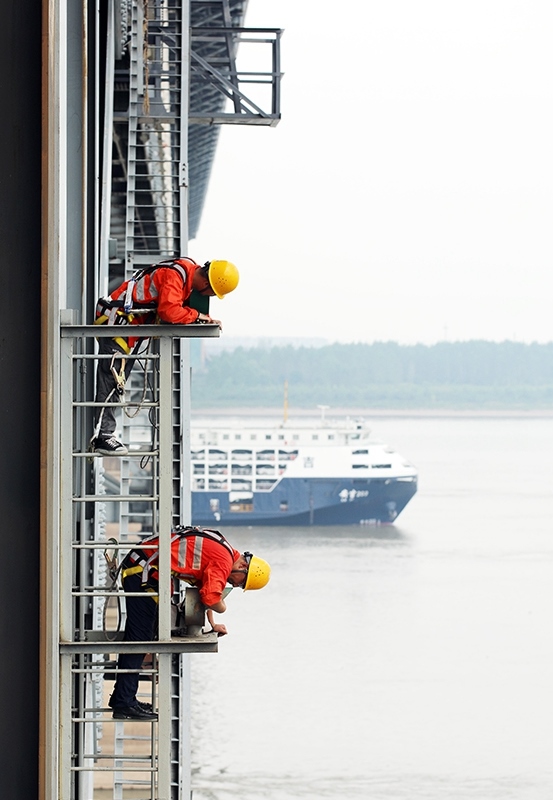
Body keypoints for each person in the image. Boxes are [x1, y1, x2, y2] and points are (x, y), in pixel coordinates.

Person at [108, 526, 271, 720]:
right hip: (143, 572)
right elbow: (211, 598)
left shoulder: (224, 551)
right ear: (243, 566)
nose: (235, 585)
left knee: (142, 636)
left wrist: (213, 624)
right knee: (139, 639)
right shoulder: (223, 562)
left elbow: (205, 590)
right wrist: (223, 608)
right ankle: (124, 703)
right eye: (241, 582)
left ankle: (123, 697)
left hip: (144, 569)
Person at [92, 257, 239, 455]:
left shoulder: (185, 272)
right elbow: (169, 311)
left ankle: (104, 433)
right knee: (111, 380)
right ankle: (103, 436)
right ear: (206, 284)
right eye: (212, 293)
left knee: (115, 380)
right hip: (117, 324)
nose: (209, 296)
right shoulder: (175, 276)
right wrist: (197, 316)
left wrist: (203, 318)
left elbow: (174, 306)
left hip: (125, 326)